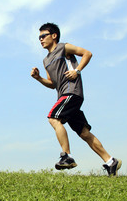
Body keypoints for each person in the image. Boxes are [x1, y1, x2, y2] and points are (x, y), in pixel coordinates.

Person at [31, 22, 121, 176]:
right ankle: (111, 161)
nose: (41, 39)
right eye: (39, 37)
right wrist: (39, 78)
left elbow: (87, 53)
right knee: (84, 133)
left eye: (43, 36)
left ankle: (67, 156)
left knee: (53, 118)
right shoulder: (46, 61)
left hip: (71, 92)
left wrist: (77, 71)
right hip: (64, 95)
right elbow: (52, 84)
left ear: (54, 36)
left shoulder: (63, 48)